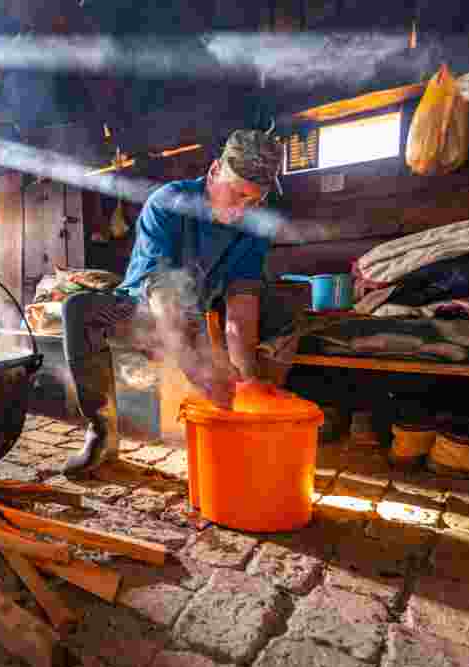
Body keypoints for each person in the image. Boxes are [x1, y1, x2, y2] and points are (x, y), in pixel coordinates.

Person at [61, 128, 303, 475]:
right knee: (78, 309)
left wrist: (246, 381)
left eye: (255, 200)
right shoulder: (169, 202)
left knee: (286, 307)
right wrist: (191, 364)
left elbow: (241, 308)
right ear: (214, 171)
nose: (243, 209)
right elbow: (161, 291)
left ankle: (256, 420)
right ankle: (101, 431)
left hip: (197, 319)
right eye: (237, 194)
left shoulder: (252, 227)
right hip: (144, 312)